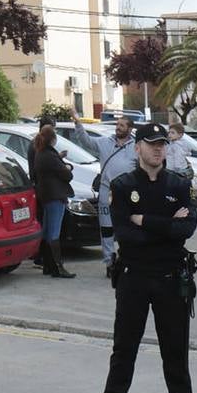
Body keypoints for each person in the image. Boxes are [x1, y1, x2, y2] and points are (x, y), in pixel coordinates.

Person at [94, 122, 197, 393]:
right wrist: (168, 224)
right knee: (124, 348)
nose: (158, 149)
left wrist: (145, 220)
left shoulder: (180, 184)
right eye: (151, 143)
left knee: (176, 351)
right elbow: (125, 233)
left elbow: (187, 230)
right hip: (134, 277)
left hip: (172, 278)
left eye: (162, 144)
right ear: (137, 147)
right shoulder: (123, 184)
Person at [70, 109, 135, 272]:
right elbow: (86, 141)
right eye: (117, 125)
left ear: (129, 128)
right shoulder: (105, 142)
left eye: (122, 125)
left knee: (127, 227)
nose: (118, 127)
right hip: (107, 193)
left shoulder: (137, 147)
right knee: (106, 228)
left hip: (128, 195)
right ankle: (109, 262)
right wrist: (78, 123)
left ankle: (127, 258)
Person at [32, 122, 76, 279]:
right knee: (54, 232)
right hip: (56, 196)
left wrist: (59, 158)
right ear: (53, 139)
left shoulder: (41, 153)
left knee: (47, 230)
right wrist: (68, 167)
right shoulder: (49, 155)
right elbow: (67, 175)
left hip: (46, 195)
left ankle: (48, 265)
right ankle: (58, 267)